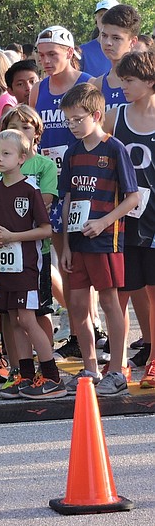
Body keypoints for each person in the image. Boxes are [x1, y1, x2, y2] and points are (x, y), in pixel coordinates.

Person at [59, 83, 138, 396]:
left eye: (77, 119)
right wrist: (66, 245)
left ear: (96, 115)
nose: (72, 126)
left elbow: (132, 198)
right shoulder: (73, 152)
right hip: (78, 242)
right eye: (68, 120)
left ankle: (116, 369)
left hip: (106, 240)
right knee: (78, 304)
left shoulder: (114, 148)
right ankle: (90, 367)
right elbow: (67, 199)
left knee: (109, 302)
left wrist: (104, 221)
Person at [0, 105, 58, 395]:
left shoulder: (30, 190)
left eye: (6, 154)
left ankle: (51, 375)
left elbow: (46, 229)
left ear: (22, 158)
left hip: (27, 263)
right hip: (2, 265)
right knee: (13, 318)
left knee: (27, 317)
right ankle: (24, 375)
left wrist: (14, 236)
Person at [30, 26, 95, 356]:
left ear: (69, 53)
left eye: (52, 54)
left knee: (87, 259)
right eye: (41, 55)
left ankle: (92, 325)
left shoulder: (88, 84)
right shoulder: (38, 89)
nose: (45, 61)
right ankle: (76, 327)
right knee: (65, 258)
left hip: (84, 183)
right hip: (52, 184)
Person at [107, 51, 155, 386]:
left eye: (129, 80)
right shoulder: (115, 116)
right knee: (118, 294)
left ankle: (153, 361)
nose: (123, 86)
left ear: (150, 81)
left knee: (153, 291)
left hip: (153, 218)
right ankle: (117, 363)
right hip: (123, 218)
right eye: (121, 80)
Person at [90, 4, 141, 111]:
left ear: (133, 42)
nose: (108, 42)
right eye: (104, 36)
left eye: (116, 38)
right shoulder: (98, 85)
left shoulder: (147, 81)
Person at [80, 0, 120, 77]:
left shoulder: (129, 50)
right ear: (96, 19)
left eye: (110, 15)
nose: (105, 19)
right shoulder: (82, 52)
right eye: (101, 15)